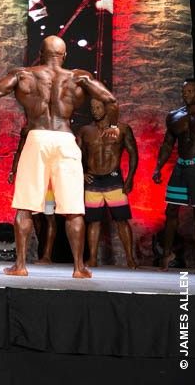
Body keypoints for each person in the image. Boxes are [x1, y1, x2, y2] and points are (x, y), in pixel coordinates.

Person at [0, 35, 119, 279]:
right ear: (64, 55)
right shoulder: (79, 77)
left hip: (37, 138)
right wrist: (114, 126)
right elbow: (110, 100)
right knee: (73, 210)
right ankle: (79, 268)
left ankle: (20, 266)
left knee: (25, 207)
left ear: (40, 54)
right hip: (65, 140)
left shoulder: (24, 74)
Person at [77, 98, 138, 268]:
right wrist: (82, 173)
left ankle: (130, 259)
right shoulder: (85, 131)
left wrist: (130, 178)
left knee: (121, 219)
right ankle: (93, 259)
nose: (95, 111)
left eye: (98, 107)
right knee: (93, 221)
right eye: (92, 108)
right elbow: (74, 154)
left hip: (114, 179)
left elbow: (133, 153)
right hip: (93, 180)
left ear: (107, 109)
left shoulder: (122, 129)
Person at [153, 77, 195, 272]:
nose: (186, 94)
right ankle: (166, 256)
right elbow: (167, 144)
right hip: (181, 168)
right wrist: (158, 167)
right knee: (171, 211)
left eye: (190, 91)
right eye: (184, 91)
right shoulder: (174, 116)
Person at [10, 126, 56, 264]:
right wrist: (13, 171)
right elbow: (19, 151)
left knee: (49, 217)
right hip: (32, 178)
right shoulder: (27, 129)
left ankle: (47, 255)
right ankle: (41, 252)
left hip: (49, 179)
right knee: (34, 218)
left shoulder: (55, 126)